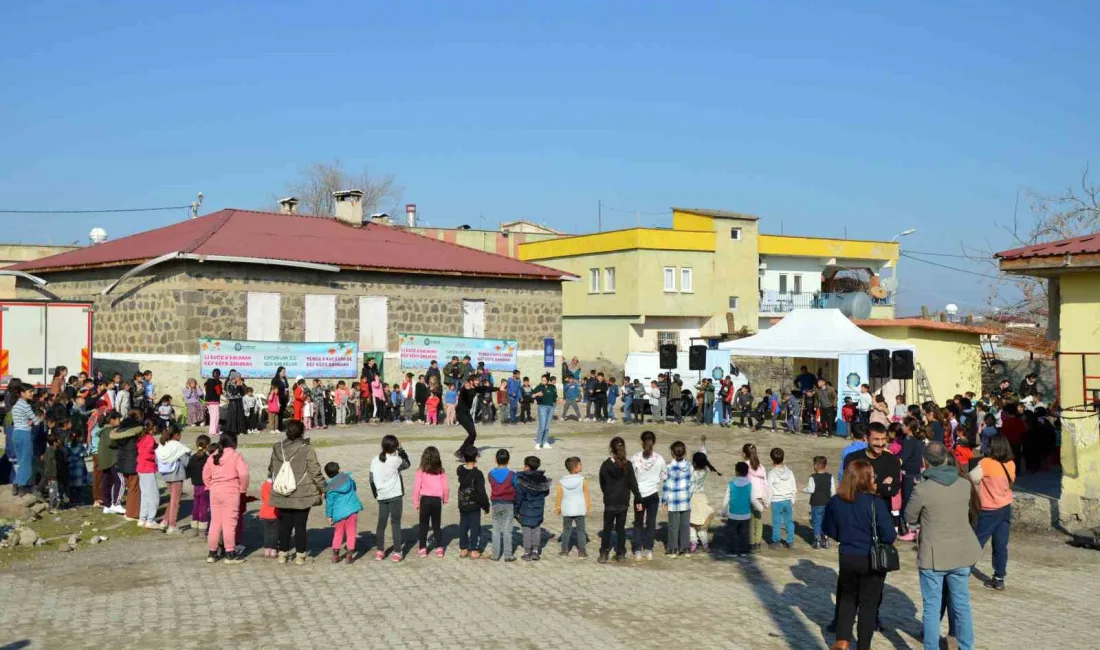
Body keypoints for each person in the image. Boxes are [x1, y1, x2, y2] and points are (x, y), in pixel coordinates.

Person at [905, 442, 979, 650]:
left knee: (931, 607)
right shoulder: (964, 484)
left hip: (934, 554)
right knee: (962, 606)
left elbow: (909, 516)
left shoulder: (923, 489)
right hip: (961, 552)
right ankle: (967, 646)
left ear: (924, 461)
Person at [822, 459, 897, 650]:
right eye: (872, 476)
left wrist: (845, 537)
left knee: (847, 599)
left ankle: (842, 641)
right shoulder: (875, 503)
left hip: (847, 555)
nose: (875, 479)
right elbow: (889, 535)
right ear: (865, 479)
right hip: (870, 558)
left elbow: (829, 529)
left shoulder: (835, 501)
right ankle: (863, 646)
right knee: (868, 605)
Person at [268, 420, 327, 565]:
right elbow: (315, 471)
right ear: (302, 432)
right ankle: (300, 555)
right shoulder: (307, 448)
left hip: (282, 491)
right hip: (302, 492)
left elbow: (271, 468)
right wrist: (323, 488)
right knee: (300, 525)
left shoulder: (277, 447)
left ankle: (283, 553)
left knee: (284, 525)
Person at [970, 435, 1015, 591]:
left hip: (988, 509)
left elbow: (971, 478)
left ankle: (963, 570)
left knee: (977, 541)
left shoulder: (986, 464)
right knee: (1001, 545)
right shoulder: (1011, 464)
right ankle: (999, 577)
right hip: (1005, 508)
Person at [202, 434, 250, 564]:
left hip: (215, 492)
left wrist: (209, 486)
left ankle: (212, 552)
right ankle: (230, 553)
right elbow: (244, 474)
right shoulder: (235, 456)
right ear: (234, 443)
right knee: (229, 523)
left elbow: (205, 474)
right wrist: (243, 488)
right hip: (231, 492)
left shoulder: (213, 456)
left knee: (215, 522)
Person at [599, 436, 642, 564]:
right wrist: (639, 500)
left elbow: (602, 484)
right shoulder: (627, 465)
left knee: (607, 528)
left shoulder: (606, 465)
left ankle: (603, 553)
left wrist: (608, 494)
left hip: (610, 502)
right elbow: (633, 484)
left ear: (611, 449)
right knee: (620, 529)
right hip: (623, 502)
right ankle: (621, 553)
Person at [369, 434, 411, 562]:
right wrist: (402, 451)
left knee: (381, 524)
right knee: (396, 523)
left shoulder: (375, 460)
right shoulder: (396, 460)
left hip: (382, 495)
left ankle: (380, 550)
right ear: (395, 447)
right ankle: (397, 551)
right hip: (395, 495)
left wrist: (376, 494)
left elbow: (371, 479)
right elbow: (407, 464)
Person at [631, 430, 668, 561]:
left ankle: (637, 550)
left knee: (638, 523)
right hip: (653, 495)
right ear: (654, 442)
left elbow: (631, 477)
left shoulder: (635, 458)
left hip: (639, 496)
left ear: (642, 442)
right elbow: (665, 476)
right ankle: (649, 550)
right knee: (651, 523)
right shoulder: (660, 459)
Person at [722, 461, 766, 557]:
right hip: (745, 516)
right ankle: (743, 551)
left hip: (733, 515)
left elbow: (726, 499)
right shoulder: (750, 485)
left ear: (736, 472)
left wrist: (724, 511)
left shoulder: (731, 484)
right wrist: (760, 508)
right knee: (744, 534)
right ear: (747, 473)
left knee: (732, 533)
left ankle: (732, 551)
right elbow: (753, 499)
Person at [413, 446, 450, 558]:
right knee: (436, 525)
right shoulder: (441, 472)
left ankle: (423, 548)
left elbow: (416, 488)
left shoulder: (420, 471)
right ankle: (439, 548)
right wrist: (445, 498)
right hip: (436, 500)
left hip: (425, 500)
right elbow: (445, 488)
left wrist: (416, 502)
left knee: (423, 525)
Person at [325, 461, 363, 564]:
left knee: (338, 533)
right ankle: (349, 555)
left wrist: (329, 515)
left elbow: (330, 503)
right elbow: (354, 487)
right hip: (352, 510)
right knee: (351, 532)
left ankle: (335, 555)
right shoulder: (347, 478)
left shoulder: (330, 487)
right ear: (338, 469)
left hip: (338, 513)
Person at [155, 425, 191, 534]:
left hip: (166, 475)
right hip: (176, 475)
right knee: (176, 501)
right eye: (180, 434)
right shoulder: (177, 445)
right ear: (176, 435)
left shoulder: (162, 445)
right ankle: (172, 525)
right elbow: (187, 461)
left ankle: (164, 521)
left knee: (172, 499)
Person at [456, 446, 490, 558]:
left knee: (463, 525)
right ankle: (474, 549)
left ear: (464, 458)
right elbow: (481, 492)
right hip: (474, 504)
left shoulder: (460, 470)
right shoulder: (478, 474)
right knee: (474, 526)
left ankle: (464, 548)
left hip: (462, 503)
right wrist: (486, 505)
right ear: (476, 458)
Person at [515, 455, 551, 561]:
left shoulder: (522, 480)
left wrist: (516, 509)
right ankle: (536, 551)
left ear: (527, 467)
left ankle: (527, 552)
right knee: (536, 529)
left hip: (526, 510)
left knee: (526, 531)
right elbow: (546, 492)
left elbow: (519, 497)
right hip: (538, 509)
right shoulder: (543, 479)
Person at [9, 384, 41, 496]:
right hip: (24, 434)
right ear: (22, 393)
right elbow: (36, 421)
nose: (32, 394)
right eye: (30, 392)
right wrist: (39, 418)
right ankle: (22, 485)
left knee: (21, 460)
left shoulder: (15, 405)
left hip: (15, 433)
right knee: (26, 462)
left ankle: (16, 484)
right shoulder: (26, 406)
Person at [556, 456, 591, 557]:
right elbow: (586, 495)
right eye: (580, 464)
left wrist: (558, 507)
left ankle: (564, 550)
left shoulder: (562, 481)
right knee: (581, 530)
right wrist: (588, 507)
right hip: (580, 508)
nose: (581, 465)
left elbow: (559, 496)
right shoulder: (582, 480)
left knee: (566, 530)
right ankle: (582, 551)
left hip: (567, 509)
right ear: (576, 468)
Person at [662, 440, 693, 557]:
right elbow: (692, 484)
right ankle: (685, 549)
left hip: (673, 501)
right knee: (685, 526)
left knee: (673, 527)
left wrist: (664, 501)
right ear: (684, 452)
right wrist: (688, 496)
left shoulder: (669, 467)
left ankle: (673, 549)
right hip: (685, 500)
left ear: (672, 453)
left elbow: (667, 485)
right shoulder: (689, 466)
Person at [689, 442, 721, 553]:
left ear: (694, 463)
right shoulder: (704, 470)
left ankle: (693, 542)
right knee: (701, 524)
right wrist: (703, 445)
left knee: (691, 523)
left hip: (692, 499)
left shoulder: (692, 472)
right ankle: (705, 544)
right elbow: (703, 455)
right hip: (702, 497)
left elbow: (690, 488)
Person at [488, 449, 517, 561]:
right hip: (508, 503)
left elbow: (492, 483)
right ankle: (508, 555)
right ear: (508, 461)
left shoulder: (490, 474)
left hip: (496, 503)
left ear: (495, 460)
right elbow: (515, 485)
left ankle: (495, 554)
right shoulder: (511, 474)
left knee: (496, 529)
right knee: (507, 529)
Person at [767, 447, 797, 549]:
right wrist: (792, 498)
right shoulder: (790, 472)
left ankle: (777, 542)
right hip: (787, 500)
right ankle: (790, 541)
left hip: (776, 501)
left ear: (772, 459)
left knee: (777, 522)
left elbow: (769, 489)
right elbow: (793, 486)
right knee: (789, 521)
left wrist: (767, 502)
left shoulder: (771, 473)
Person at [742, 443, 769, 551]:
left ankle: (751, 543)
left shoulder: (744, 465)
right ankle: (757, 543)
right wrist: (765, 498)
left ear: (744, 454)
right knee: (758, 520)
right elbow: (765, 483)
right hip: (760, 496)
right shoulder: (761, 467)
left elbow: (742, 482)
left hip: (749, 496)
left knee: (750, 521)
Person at [805, 456, 836, 549]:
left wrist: (803, 490)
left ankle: (817, 540)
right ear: (825, 466)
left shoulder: (812, 477)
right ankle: (825, 539)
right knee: (825, 522)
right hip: (827, 503)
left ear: (815, 466)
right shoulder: (830, 477)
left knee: (816, 521)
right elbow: (833, 491)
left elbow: (811, 489)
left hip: (816, 503)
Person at [135, 421, 160, 529]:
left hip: (141, 467)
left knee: (145, 495)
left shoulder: (142, 437)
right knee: (154, 495)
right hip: (148, 468)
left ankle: (142, 518)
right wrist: (156, 455)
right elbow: (147, 454)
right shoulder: (149, 438)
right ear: (153, 427)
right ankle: (150, 519)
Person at [187, 434, 211, 532]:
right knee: (204, 507)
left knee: (196, 506)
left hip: (196, 485)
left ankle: (194, 526)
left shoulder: (192, 458)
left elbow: (188, 470)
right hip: (205, 486)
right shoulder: (208, 459)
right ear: (208, 446)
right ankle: (202, 527)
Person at [452, 377, 479, 459]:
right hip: (461, 413)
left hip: (466, 413)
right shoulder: (465, 390)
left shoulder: (473, 390)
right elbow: (465, 392)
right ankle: (461, 451)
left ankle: (470, 451)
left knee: (473, 434)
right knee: (472, 434)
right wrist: (466, 387)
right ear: (471, 382)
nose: (478, 381)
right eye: (476, 380)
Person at [531, 373, 557, 450]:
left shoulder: (552, 387)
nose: (543, 381)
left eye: (544, 380)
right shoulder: (539, 387)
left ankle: (545, 442)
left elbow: (554, 397)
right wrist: (536, 394)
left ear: (548, 381)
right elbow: (532, 395)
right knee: (542, 426)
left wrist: (558, 400)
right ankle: (538, 443)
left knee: (547, 426)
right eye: (542, 380)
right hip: (542, 407)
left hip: (551, 407)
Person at [258, 476, 278, 558]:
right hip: (275, 512)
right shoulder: (275, 485)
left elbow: (263, 497)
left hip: (265, 511)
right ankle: (273, 549)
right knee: (275, 532)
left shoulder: (264, 485)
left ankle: (267, 549)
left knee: (267, 532)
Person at [270, 367, 290, 432]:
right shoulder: (275, 380)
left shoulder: (284, 379)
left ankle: (280, 426)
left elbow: (286, 387)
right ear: (279, 372)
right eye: (283, 371)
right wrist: (282, 391)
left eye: (285, 371)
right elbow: (274, 389)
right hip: (278, 398)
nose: (284, 373)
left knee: (281, 413)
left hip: (284, 398)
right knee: (277, 413)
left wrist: (287, 393)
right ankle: (276, 427)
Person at [204, 370, 223, 436]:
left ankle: (216, 430)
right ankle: (213, 431)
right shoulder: (217, 382)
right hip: (214, 401)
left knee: (213, 416)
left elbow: (206, 390)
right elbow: (219, 392)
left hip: (208, 401)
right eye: (217, 374)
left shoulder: (208, 382)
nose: (217, 375)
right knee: (215, 416)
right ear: (219, 374)